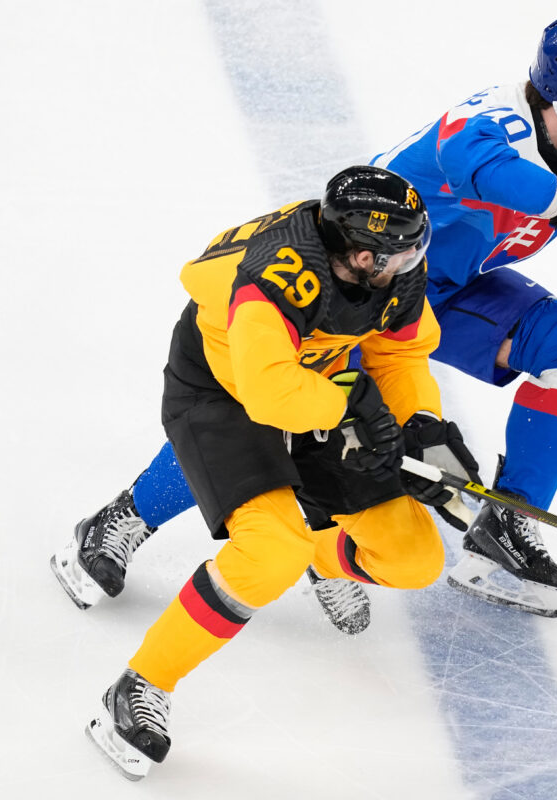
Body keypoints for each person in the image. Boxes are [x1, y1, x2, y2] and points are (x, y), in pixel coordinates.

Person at [52, 12, 557, 623]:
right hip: (357, 287)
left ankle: (506, 523)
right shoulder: (489, 117)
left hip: (448, 293)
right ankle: (125, 517)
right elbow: (480, 172)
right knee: (267, 418)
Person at [58, 166, 480, 779]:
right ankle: (140, 682)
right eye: (403, 250)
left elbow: (401, 353)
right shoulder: (277, 274)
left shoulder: (393, 271)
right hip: (224, 392)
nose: (415, 260)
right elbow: (268, 394)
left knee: (414, 557)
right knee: (266, 553)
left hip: (320, 380)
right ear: (363, 255)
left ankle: (316, 551)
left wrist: (418, 425)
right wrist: (351, 408)